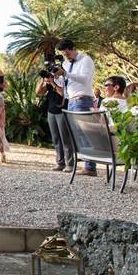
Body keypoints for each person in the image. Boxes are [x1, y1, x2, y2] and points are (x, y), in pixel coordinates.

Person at [55, 38, 97, 175]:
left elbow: (84, 79)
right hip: (71, 100)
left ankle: (90, 167)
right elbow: (65, 82)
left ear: (73, 48)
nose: (66, 56)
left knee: (85, 133)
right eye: (63, 54)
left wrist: (65, 73)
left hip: (83, 100)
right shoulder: (66, 64)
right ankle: (87, 164)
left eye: (67, 53)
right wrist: (55, 78)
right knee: (77, 134)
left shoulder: (85, 60)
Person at [37, 69, 73, 172]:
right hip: (51, 112)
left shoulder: (62, 79)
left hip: (62, 111)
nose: (49, 77)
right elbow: (38, 93)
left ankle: (70, 164)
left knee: (65, 138)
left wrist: (53, 82)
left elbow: (62, 93)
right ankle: (60, 163)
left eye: (51, 75)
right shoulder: (47, 84)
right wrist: (42, 81)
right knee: (56, 138)